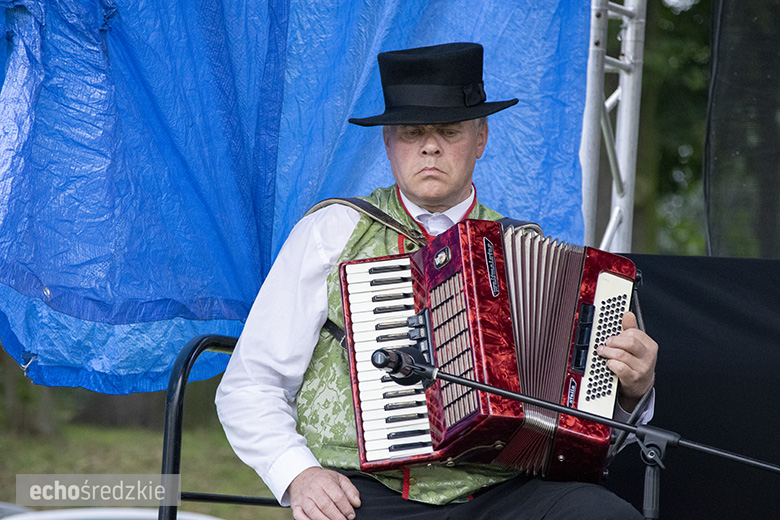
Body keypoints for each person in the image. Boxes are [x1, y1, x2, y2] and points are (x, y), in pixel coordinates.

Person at [216, 42, 657, 520]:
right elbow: (250, 384)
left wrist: (634, 391)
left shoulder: (524, 248)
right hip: (367, 491)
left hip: (503, 491)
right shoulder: (332, 232)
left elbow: (581, 423)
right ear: (388, 142)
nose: (431, 146)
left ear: (481, 137)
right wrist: (298, 474)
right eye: (412, 132)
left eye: (449, 131)